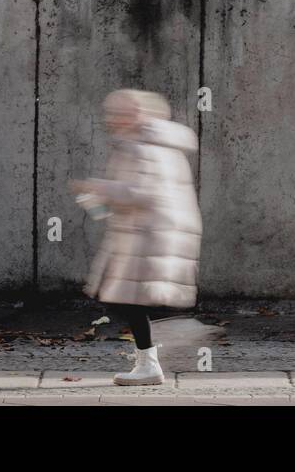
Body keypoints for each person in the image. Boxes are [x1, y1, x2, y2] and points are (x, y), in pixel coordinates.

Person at [71, 89, 201, 386]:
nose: (113, 118)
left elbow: (142, 193)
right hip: (147, 234)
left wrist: (96, 188)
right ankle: (151, 362)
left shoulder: (143, 147)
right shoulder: (149, 143)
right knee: (125, 301)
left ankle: (170, 342)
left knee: (123, 301)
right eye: (112, 112)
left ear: (140, 114)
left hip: (148, 236)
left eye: (121, 112)